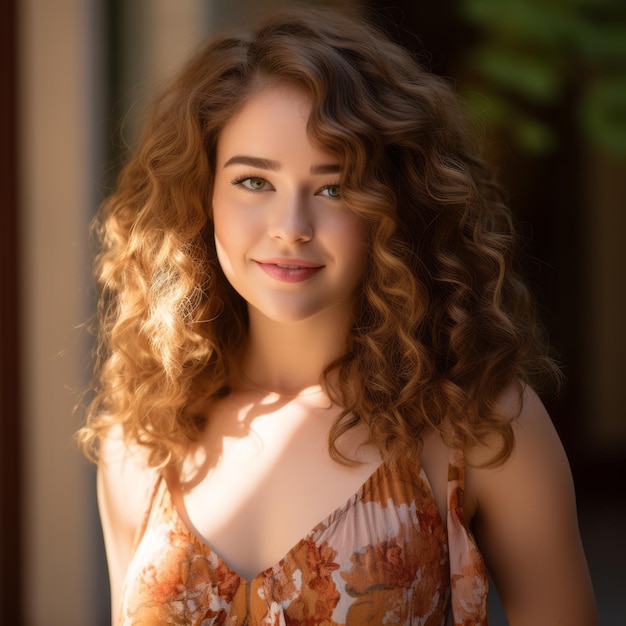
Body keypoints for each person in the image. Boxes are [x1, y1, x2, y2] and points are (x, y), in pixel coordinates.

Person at [79, 5, 598, 625]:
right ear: (202, 193)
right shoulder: (141, 438)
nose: (291, 228)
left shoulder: (478, 423)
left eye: (334, 188)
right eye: (253, 182)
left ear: (394, 206)